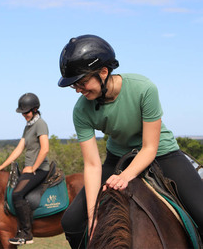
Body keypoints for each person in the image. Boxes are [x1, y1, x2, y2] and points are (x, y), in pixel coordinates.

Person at [57, 34, 203, 248]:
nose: (78, 89)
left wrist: (125, 176)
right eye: (74, 85)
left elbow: (150, 147)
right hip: (117, 156)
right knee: (71, 221)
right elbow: (92, 164)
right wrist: (91, 216)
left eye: (82, 82)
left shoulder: (144, 88)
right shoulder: (81, 110)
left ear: (103, 72)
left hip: (162, 153)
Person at [0, 93, 50, 245]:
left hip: (40, 169)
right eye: (22, 112)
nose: (24, 115)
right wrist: (2, 166)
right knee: (13, 192)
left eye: (27, 112)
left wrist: (33, 168)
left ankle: (26, 232)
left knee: (17, 194)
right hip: (30, 169)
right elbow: (19, 149)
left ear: (35, 109)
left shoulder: (40, 124)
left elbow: (45, 149)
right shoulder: (28, 126)